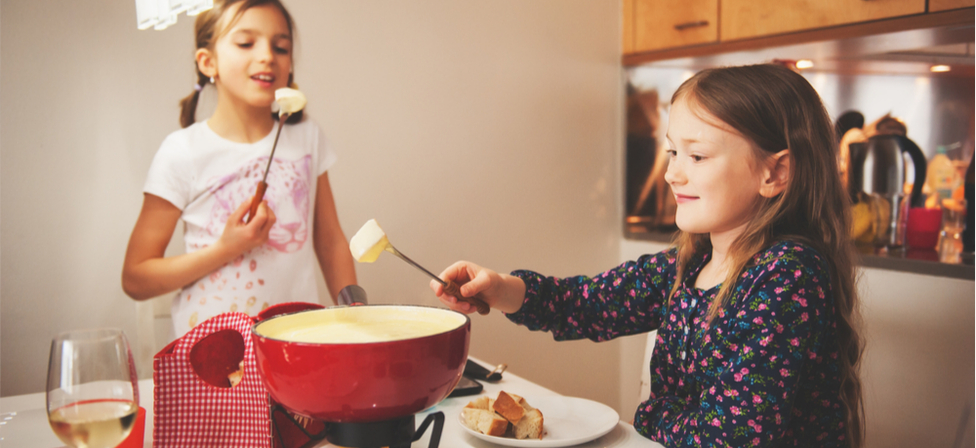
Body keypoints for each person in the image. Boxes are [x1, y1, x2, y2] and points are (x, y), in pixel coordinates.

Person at [432, 64, 864, 447]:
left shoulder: (787, 275)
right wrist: (501, 288)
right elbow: (587, 304)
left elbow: (730, 438)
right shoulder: (691, 260)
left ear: (774, 173)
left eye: (696, 155)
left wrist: (651, 416)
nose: (673, 173)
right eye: (673, 151)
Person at [122, 0, 356, 337]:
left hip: (296, 345)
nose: (266, 56)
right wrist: (226, 248)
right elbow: (135, 278)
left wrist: (355, 308)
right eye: (246, 43)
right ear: (208, 62)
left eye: (281, 47)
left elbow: (331, 242)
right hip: (214, 357)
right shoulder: (181, 152)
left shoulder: (307, 137)